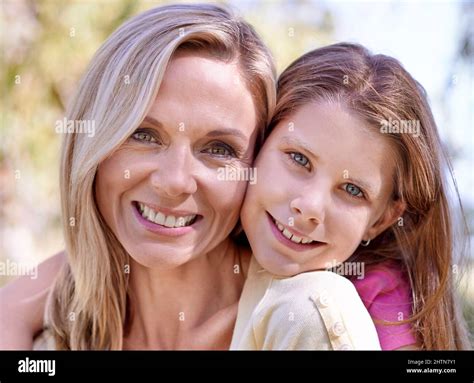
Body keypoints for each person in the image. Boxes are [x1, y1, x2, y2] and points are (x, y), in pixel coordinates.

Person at [0, 3, 276, 350]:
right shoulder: (52, 336)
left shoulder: (302, 320)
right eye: (143, 134)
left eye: (219, 148)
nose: (175, 181)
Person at [231, 43, 471, 350]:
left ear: (382, 219)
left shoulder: (370, 305)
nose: (310, 208)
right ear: (260, 142)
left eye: (353, 190)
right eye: (299, 159)